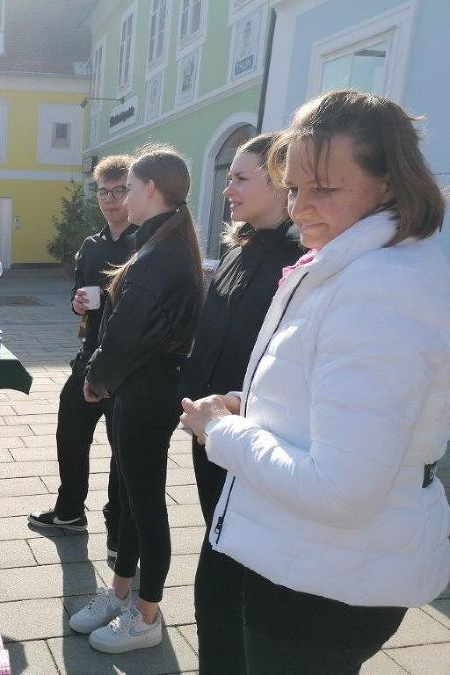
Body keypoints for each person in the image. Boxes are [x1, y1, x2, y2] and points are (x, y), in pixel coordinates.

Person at [181, 90, 450, 674]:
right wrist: (253, 409)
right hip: (314, 562)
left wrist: (224, 433)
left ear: (390, 182)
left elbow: (341, 488)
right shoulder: (357, 265)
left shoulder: (381, 285)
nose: (300, 208)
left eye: (323, 188)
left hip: (324, 580)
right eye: (295, 188)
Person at [69, 145, 203, 653]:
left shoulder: (161, 252)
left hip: (146, 392)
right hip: (139, 388)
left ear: (150, 190)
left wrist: (96, 380)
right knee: (128, 496)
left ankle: (147, 615)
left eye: (128, 188)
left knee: (145, 503)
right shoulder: (162, 243)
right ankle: (121, 592)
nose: (122, 197)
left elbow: (125, 333)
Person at [180, 133, 304, 674]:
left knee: (228, 573)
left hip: (255, 439)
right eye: (227, 176)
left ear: (280, 183)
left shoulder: (302, 258)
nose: (226, 188)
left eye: (240, 177)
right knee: (218, 554)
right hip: (213, 432)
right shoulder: (241, 246)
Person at [28, 155, 138, 556]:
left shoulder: (143, 242)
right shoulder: (91, 246)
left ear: (136, 191)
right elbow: (80, 294)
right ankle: (70, 510)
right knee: (70, 431)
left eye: (119, 190)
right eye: (103, 191)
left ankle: (117, 522)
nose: (110, 199)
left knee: (119, 445)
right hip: (90, 353)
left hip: (126, 364)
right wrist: (78, 304)